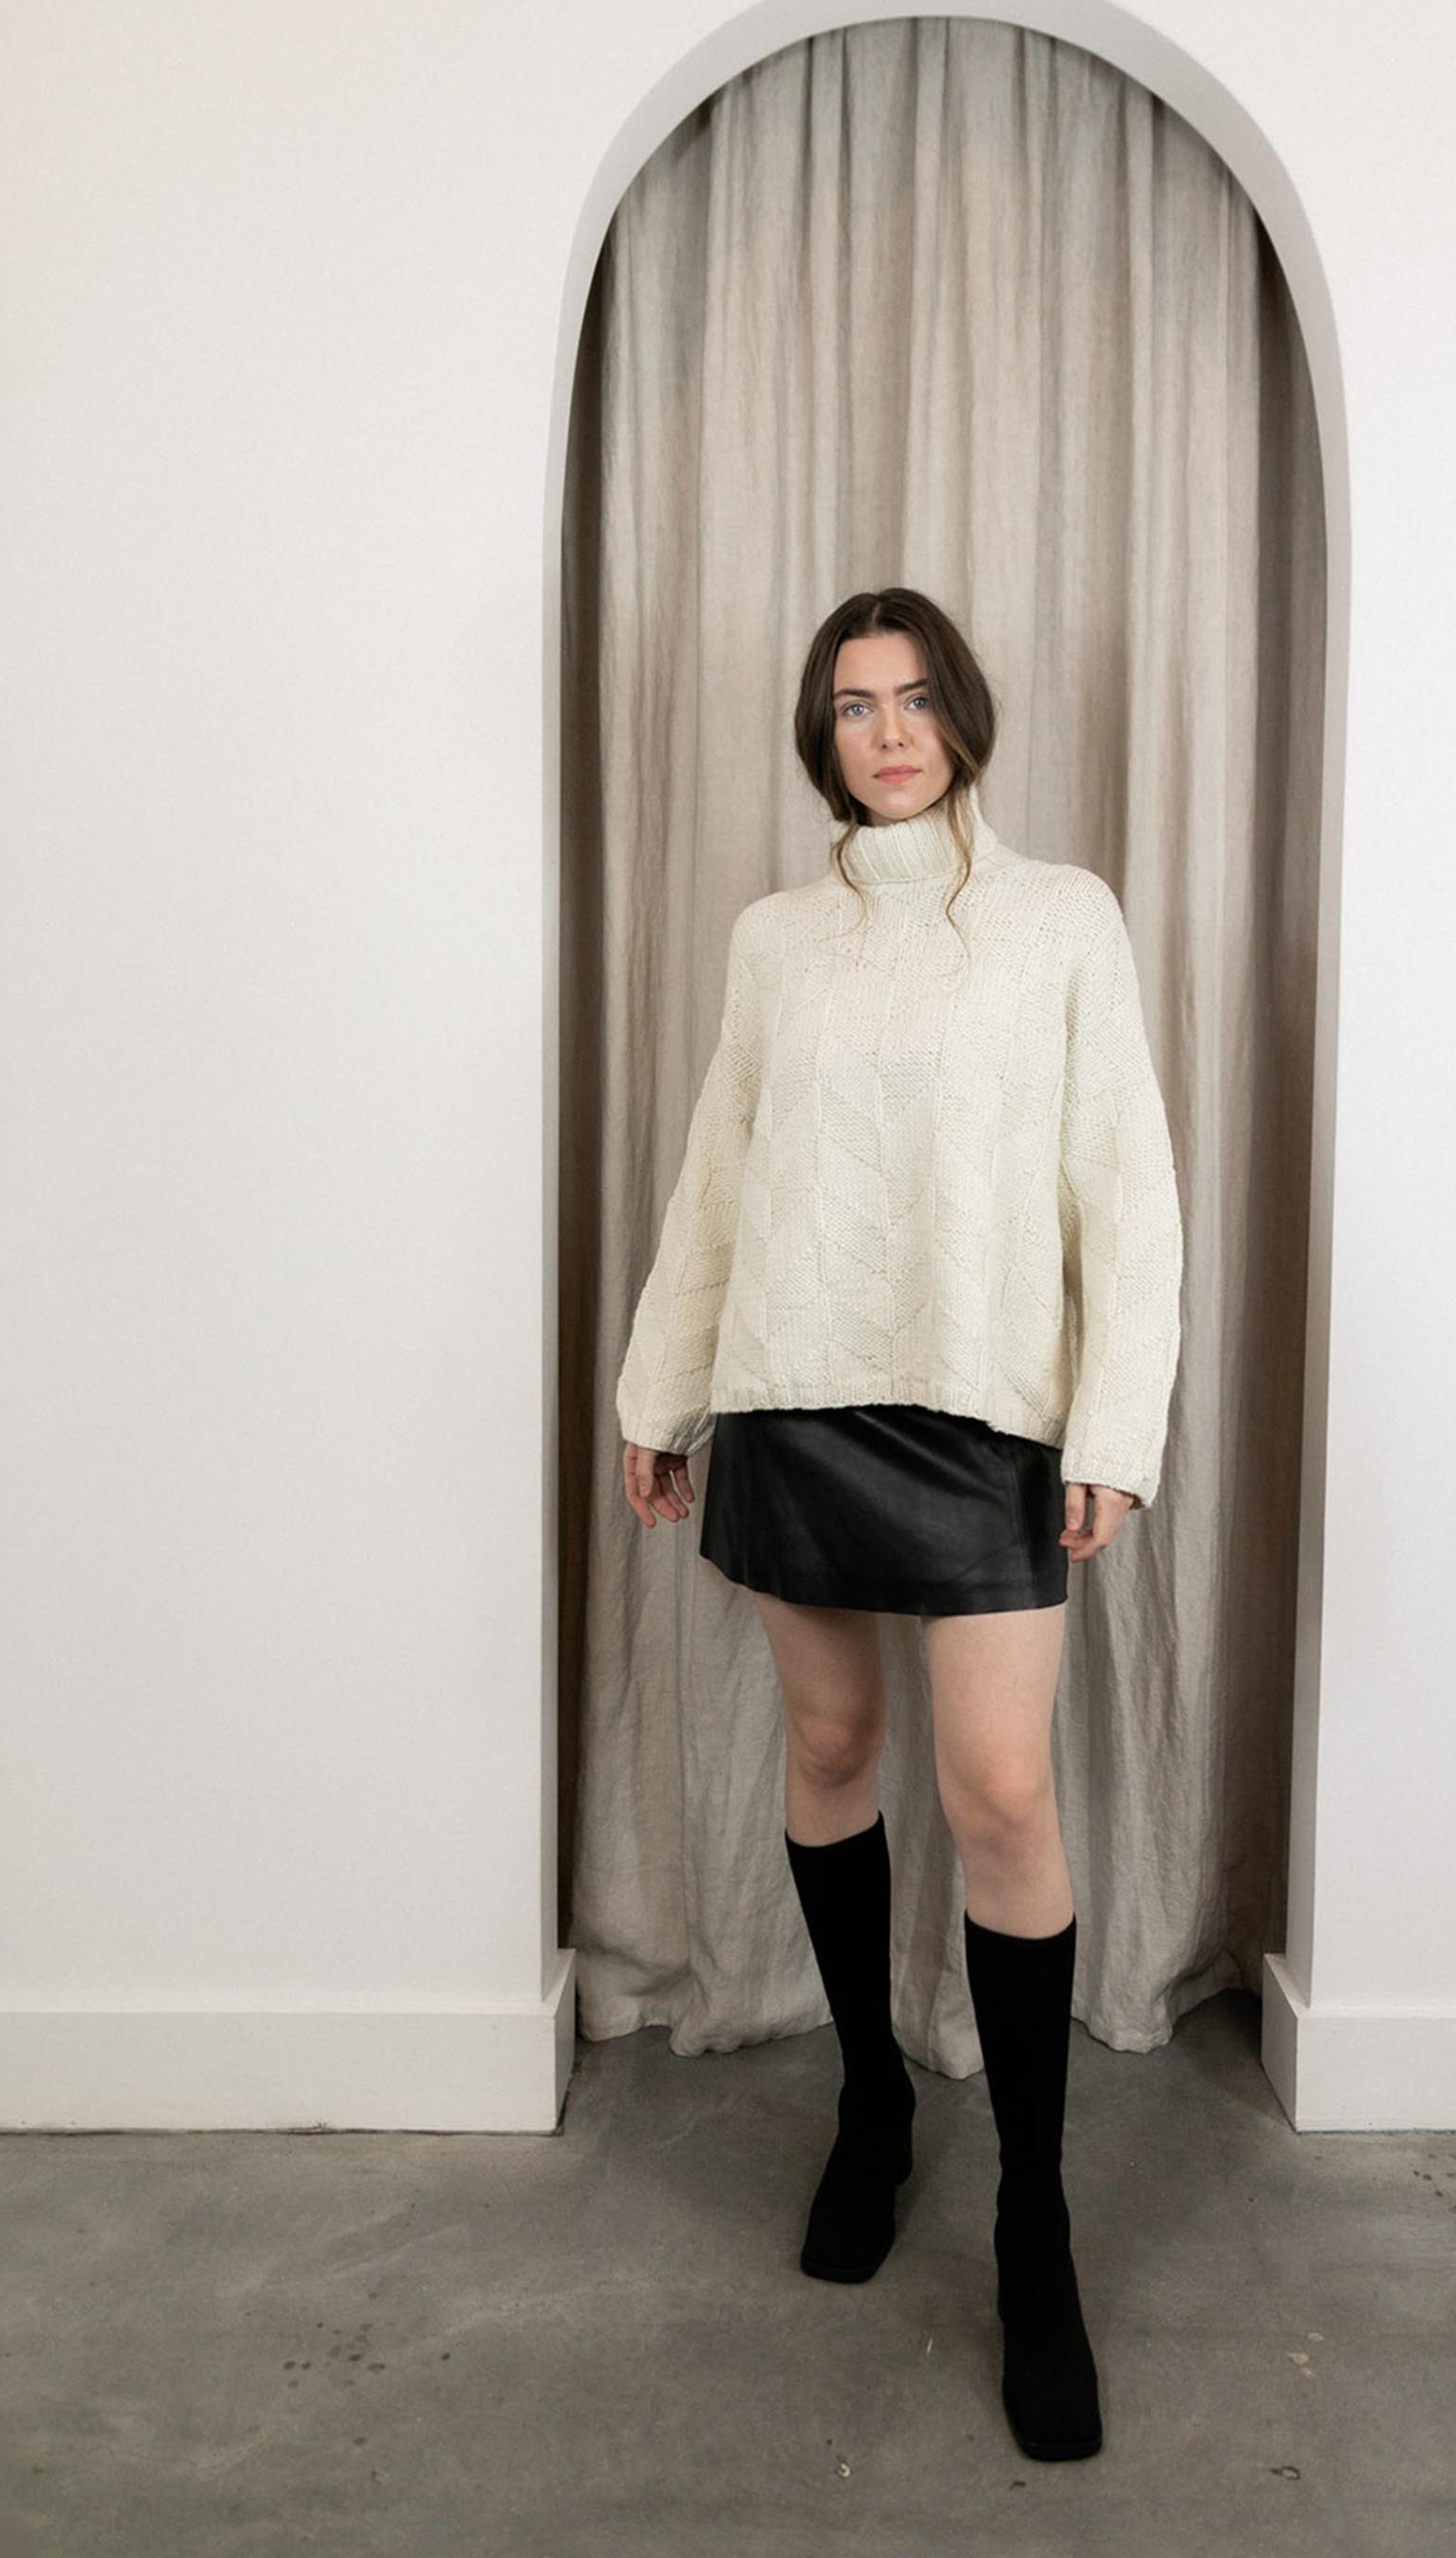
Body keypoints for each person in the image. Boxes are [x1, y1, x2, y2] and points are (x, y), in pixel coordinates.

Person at [616, 586, 1184, 2463]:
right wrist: (661, 1388)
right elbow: (722, 1169)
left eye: (916, 696)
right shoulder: (773, 940)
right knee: (832, 1747)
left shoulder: (1061, 916)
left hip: (988, 1404)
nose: (887, 731)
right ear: (820, 733)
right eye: (854, 704)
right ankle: (873, 2100)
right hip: (794, 1390)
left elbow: (1125, 1181)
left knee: (1002, 1790)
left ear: (964, 715)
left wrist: (1115, 1423)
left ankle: (1034, 2221)